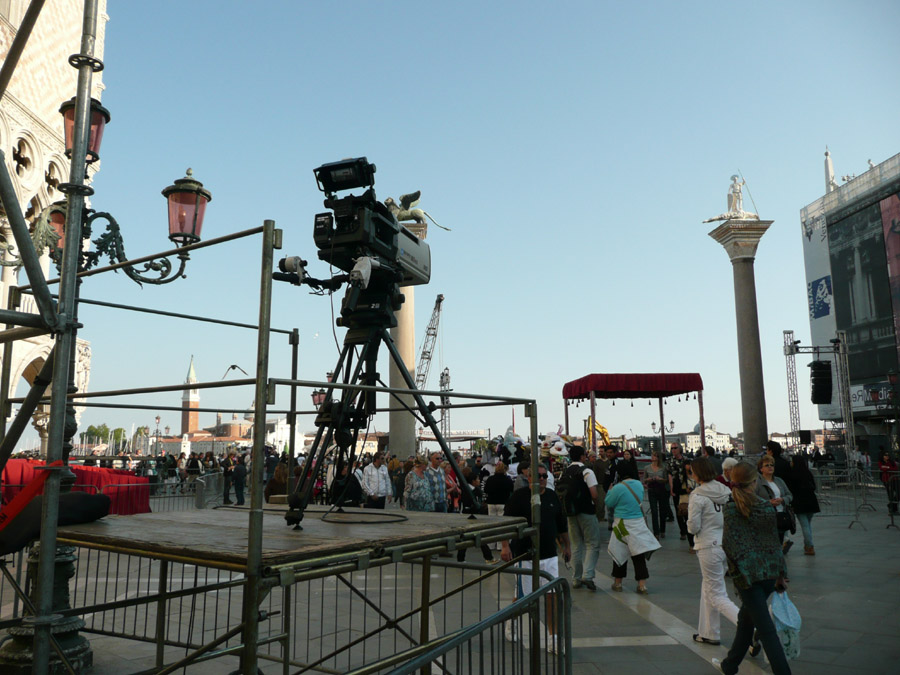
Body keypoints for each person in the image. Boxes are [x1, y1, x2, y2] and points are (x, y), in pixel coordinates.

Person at [712, 462, 791, 675]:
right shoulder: (766, 506)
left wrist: (738, 571)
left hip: (747, 578)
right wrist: (781, 574)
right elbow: (774, 544)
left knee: (766, 631)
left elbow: (730, 544)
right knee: (746, 620)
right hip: (768, 574)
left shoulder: (731, 509)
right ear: (754, 482)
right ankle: (729, 665)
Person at [500, 465, 570, 653]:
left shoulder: (552, 496)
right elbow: (505, 523)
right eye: (537, 476)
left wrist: (567, 546)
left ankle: (553, 637)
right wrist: (505, 546)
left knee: (552, 596)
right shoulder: (519, 497)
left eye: (544, 476)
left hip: (549, 555)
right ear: (528, 477)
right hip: (524, 555)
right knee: (524, 597)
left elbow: (561, 524)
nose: (542, 479)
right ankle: (511, 620)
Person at [686, 457, 739, 646]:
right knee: (708, 588)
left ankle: (751, 627)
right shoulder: (725, 490)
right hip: (724, 543)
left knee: (716, 593)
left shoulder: (698, 495)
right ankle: (709, 632)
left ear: (698, 473)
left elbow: (693, 526)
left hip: (708, 545)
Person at [605, 460, 659, 594]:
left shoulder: (618, 487)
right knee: (638, 554)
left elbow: (609, 502)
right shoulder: (639, 485)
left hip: (622, 524)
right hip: (638, 523)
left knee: (619, 552)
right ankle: (642, 585)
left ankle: (618, 583)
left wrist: (610, 491)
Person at [562, 446, 601, 592]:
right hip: (586, 511)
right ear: (583, 457)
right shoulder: (587, 471)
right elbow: (594, 494)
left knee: (576, 545)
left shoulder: (565, 472)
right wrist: (596, 505)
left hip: (571, 512)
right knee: (592, 544)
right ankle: (588, 575)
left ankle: (576, 578)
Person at [755, 456, 793, 550]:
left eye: (772, 465)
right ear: (761, 469)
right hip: (766, 516)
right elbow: (753, 497)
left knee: (779, 542)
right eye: (767, 465)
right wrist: (768, 502)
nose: (770, 467)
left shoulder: (779, 480)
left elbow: (789, 495)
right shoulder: (757, 482)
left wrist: (783, 499)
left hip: (780, 515)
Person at [786, 454, 819, 555]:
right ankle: (807, 545)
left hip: (800, 503)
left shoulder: (792, 474)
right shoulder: (808, 473)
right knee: (807, 525)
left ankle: (809, 546)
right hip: (811, 501)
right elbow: (814, 486)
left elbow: (791, 489)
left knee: (805, 526)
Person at [667, 444, 692, 543]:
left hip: (685, 487)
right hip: (676, 487)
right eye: (672, 448)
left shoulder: (686, 460)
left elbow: (690, 473)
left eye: (675, 448)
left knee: (686, 508)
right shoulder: (670, 461)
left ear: (680, 449)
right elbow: (669, 475)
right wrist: (671, 488)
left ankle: (688, 529)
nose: (673, 450)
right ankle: (682, 531)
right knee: (678, 509)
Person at [643, 449, 669, 539]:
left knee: (662, 511)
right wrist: (648, 480)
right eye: (652, 455)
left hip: (661, 489)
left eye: (654, 456)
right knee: (654, 511)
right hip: (652, 489)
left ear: (658, 458)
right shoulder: (647, 468)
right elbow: (644, 479)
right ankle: (656, 532)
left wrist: (660, 479)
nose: (652, 457)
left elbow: (666, 480)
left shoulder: (663, 467)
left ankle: (662, 530)